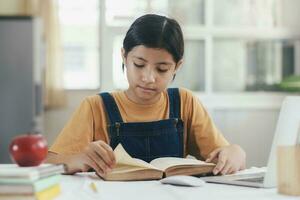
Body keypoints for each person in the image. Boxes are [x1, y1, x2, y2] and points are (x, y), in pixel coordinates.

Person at [46, 14, 246, 177]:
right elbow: (49, 163)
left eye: (162, 69)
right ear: (124, 56)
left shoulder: (185, 102)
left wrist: (235, 152)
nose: (148, 78)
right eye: (139, 65)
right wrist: (78, 158)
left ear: (177, 66)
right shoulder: (95, 106)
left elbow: (223, 154)